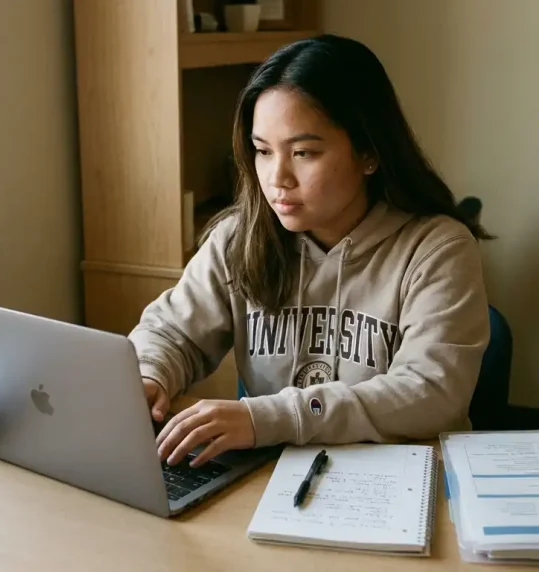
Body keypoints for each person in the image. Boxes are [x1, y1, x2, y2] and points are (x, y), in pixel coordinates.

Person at [131, 34, 492, 468]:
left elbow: (431, 393)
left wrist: (271, 417)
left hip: (394, 481)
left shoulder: (437, 249)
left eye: (303, 152)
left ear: (369, 153)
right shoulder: (238, 238)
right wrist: (151, 373)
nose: (277, 177)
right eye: (263, 151)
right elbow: (173, 332)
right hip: (269, 477)